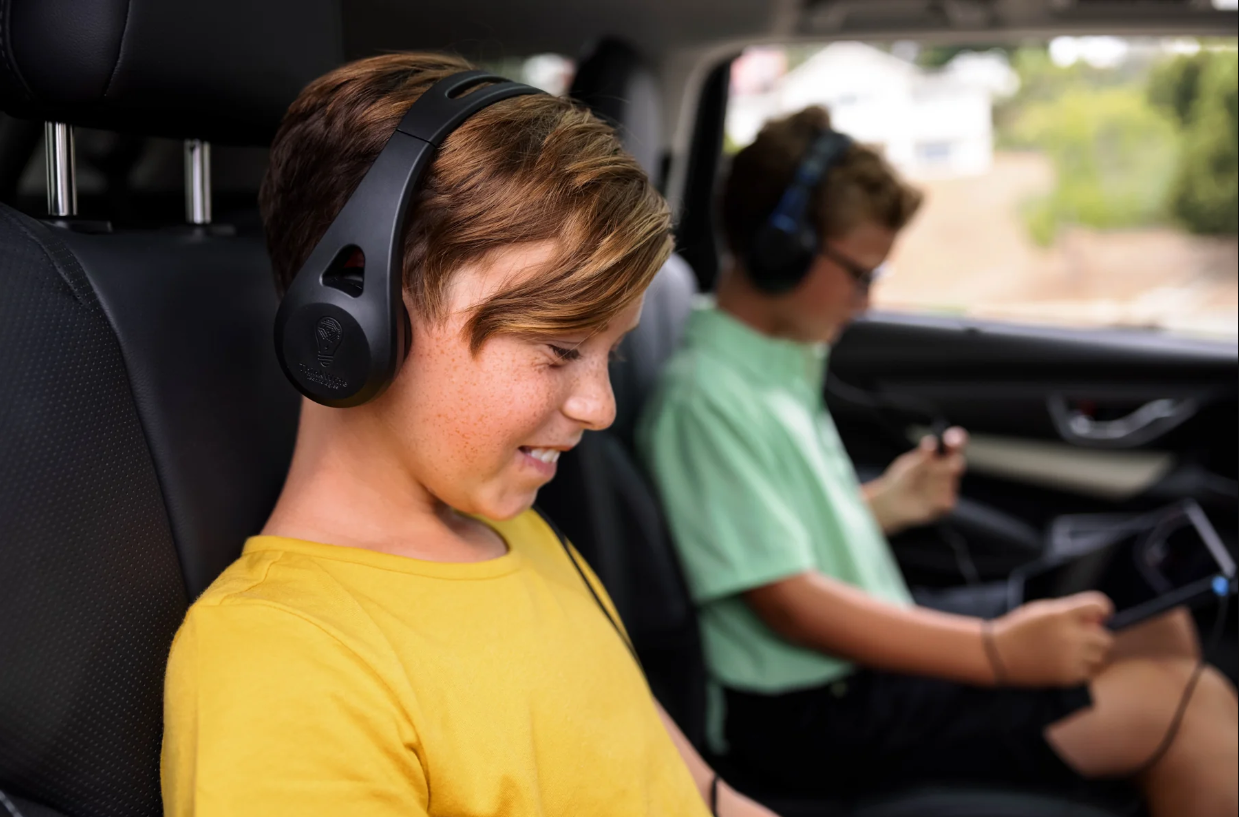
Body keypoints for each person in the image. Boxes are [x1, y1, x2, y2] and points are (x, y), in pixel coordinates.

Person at [160, 53, 780, 817]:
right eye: (558, 349)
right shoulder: (282, 660)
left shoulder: (518, 534)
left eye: (608, 352)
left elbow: (685, 785)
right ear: (357, 322)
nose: (600, 406)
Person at [638, 106, 1238, 817]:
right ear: (779, 250)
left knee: (1152, 621)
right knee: (1182, 701)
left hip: (858, 662)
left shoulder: (779, 362)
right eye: (859, 273)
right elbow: (788, 603)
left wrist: (887, 504)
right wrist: (993, 651)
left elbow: (768, 534)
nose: (869, 299)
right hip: (809, 714)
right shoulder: (706, 398)